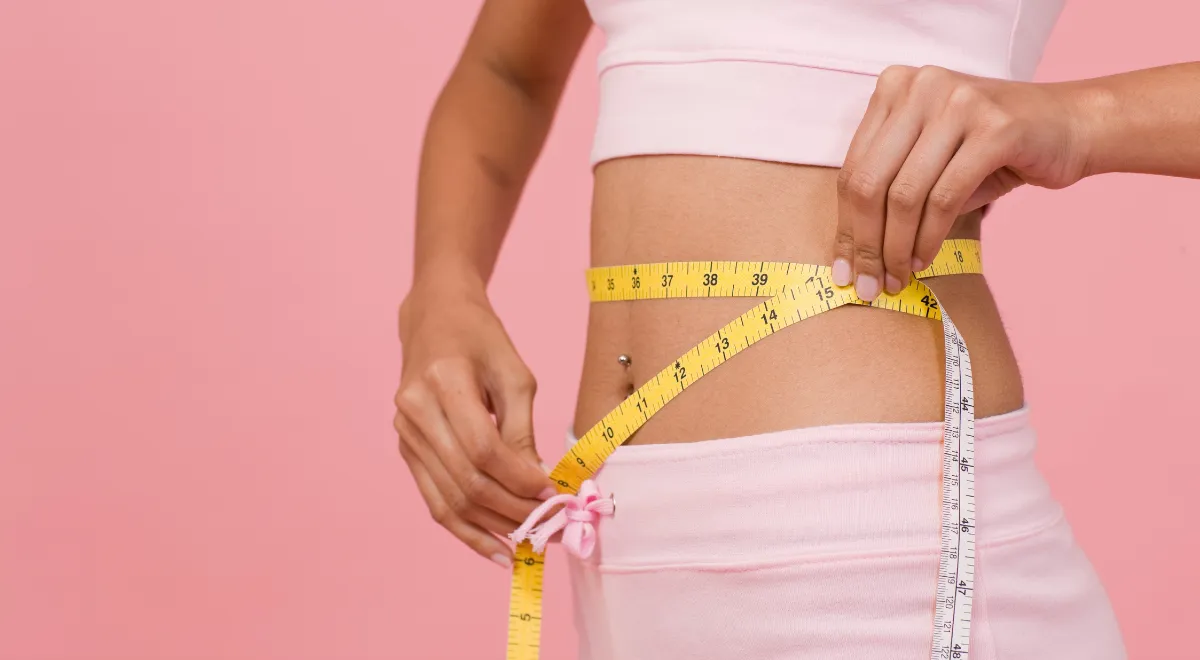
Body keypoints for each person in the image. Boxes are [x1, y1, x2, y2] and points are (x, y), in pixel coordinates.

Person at [395, 1, 1199, 657]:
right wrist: (440, 289)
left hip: (876, 559)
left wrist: (1085, 118)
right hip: (617, 558)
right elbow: (505, 70)